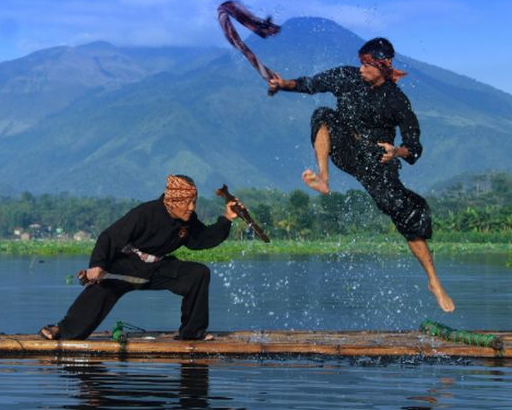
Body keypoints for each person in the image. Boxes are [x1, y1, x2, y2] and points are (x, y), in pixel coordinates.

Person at [267, 37, 455, 312]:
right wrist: (283, 85)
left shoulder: (396, 101)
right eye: (361, 62)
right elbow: (310, 84)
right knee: (323, 114)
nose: (361, 69)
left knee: (405, 214)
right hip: (347, 150)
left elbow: (414, 148)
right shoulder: (347, 77)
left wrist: (396, 152)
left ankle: (433, 280)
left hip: (378, 162)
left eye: (367, 65)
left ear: (383, 66)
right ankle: (323, 177)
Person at [39, 174, 241, 341]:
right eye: (187, 203)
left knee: (198, 274)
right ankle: (62, 331)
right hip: (126, 266)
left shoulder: (187, 221)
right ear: (174, 201)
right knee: (100, 287)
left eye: (194, 202)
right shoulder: (145, 214)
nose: (191, 208)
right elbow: (109, 237)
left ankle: (192, 333)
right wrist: (97, 266)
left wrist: (227, 219)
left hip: (157, 268)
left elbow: (201, 240)